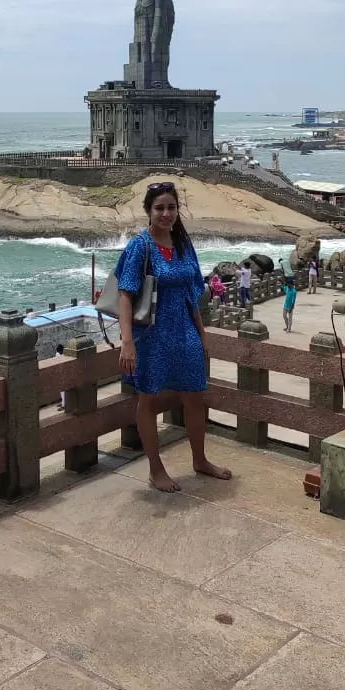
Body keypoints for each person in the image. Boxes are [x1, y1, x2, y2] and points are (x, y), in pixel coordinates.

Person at [116, 181, 230, 493]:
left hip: (185, 331)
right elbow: (125, 295)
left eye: (171, 207)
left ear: (178, 210)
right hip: (151, 336)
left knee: (194, 395)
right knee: (148, 399)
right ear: (148, 212)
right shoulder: (141, 246)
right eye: (159, 208)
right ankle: (155, 468)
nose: (166, 213)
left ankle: (200, 460)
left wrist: (202, 334)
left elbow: (192, 293)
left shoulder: (182, 243)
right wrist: (127, 342)